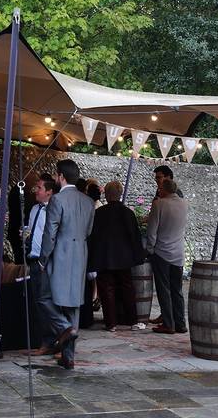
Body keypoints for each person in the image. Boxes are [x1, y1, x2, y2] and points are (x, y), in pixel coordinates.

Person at [39, 159, 95, 370]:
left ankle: (64, 328)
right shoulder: (89, 202)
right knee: (73, 305)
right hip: (80, 254)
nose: (54, 178)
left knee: (45, 297)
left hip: (59, 255)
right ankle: (69, 357)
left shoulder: (57, 200)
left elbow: (50, 233)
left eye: (55, 175)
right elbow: (88, 231)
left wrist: (43, 259)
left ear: (61, 176)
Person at [88, 181, 145, 331]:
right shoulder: (128, 213)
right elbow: (135, 236)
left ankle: (111, 323)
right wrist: (138, 256)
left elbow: (92, 236)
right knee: (127, 288)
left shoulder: (99, 213)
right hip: (124, 258)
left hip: (104, 257)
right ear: (120, 195)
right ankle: (132, 320)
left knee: (107, 290)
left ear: (106, 195)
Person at [147, 179, 188, 335]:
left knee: (164, 289)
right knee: (177, 289)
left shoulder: (159, 204)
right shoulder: (184, 203)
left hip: (162, 252)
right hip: (178, 252)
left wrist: (150, 249)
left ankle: (168, 323)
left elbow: (152, 230)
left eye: (160, 188)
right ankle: (180, 323)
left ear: (163, 189)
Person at [23, 173, 56, 355]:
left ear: (49, 192)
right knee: (37, 302)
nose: (36, 190)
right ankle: (44, 340)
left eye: (40, 188)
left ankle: (52, 340)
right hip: (33, 259)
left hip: (46, 262)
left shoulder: (53, 210)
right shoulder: (35, 209)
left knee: (46, 301)